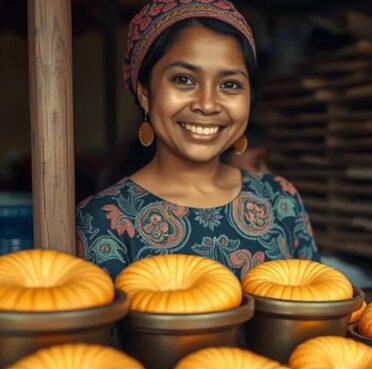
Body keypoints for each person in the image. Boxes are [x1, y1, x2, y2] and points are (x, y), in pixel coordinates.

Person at [77, 0, 319, 280]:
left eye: (230, 85)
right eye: (184, 79)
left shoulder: (280, 200)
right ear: (145, 94)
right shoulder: (105, 219)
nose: (207, 104)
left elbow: (320, 307)